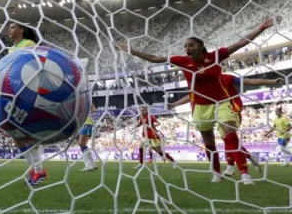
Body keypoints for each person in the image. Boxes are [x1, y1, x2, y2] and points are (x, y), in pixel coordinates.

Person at [116, 16, 275, 182]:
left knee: (230, 134)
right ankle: (216, 172)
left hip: (221, 102)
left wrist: (261, 27)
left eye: (191, 45)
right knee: (209, 142)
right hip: (200, 106)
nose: (187, 48)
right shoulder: (183, 61)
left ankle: (244, 173)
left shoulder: (215, 56)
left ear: (201, 47)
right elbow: (155, 59)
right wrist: (130, 50)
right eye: (185, 46)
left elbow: (240, 43)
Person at [168, 74, 276, 180]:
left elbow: (247, 81)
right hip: (206, 111)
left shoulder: (225, 78)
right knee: (225, 140)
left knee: (230, 138)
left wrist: (271, 81)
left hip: (229, 108)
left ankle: (239, 169)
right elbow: (192, 95)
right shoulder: (200, 82)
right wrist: (176, 103)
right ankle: (236, 164)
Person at [2, 22, 47, 185]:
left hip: (29, 93)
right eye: (8, 27)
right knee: (17, 136)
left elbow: (32, 65)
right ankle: (37, 169)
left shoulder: (28, 44)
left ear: (22, 30)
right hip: (14, 94)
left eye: (13, 27)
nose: (9, 29)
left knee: (26, 134)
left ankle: (39, 171)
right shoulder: (9, 49)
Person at [77, 107, 98, 171]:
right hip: (79, 124)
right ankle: (91, 165)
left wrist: (85, 114)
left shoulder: (84, 97)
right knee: (81, 145)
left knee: (82, 143)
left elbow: (94, 109)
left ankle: (89, 165)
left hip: (86, 123)